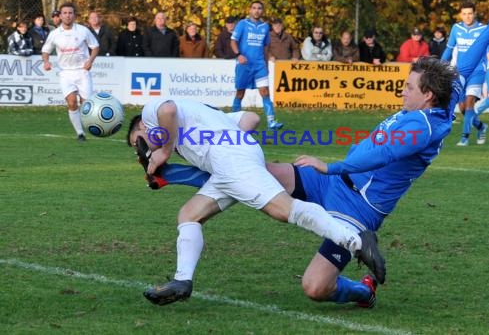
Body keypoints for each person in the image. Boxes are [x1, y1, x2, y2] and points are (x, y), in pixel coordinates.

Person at [133, 0, 489, 308]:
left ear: (428, 95)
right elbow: (468, 61)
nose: (403, 91)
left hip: (358, 207)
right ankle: (173, 186)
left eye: (409, 87)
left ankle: (363, 287)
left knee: (315, 288)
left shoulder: (424, 127)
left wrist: (329, 165)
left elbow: (377, 156)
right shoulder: (442, 95)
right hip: (331, 183)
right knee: (256, 169)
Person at [127, 99, 386, 306]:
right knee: (189, 215)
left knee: (283, 210)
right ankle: (182, 281)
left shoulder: (152, 113)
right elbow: (251, 119)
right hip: (228, 164)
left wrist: (163, 150)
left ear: (143, 127)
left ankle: (356, 241)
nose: (143, 150)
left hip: (229, 162)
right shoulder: (200, 116)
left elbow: (167, 109)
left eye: (138, 143)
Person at [41, 2, 99, 142]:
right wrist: (46, 61)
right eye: (65, 13)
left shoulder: (83, 30)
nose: (68, 15)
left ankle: (91, 125)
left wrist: (90, 61)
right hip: (66, 73)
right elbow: (45, 50)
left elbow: (95, 46)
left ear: (74, 15)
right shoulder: (55, 34)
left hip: (82, 71)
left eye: (70, 13)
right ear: (60, 16)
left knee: (86, 104)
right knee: (72, 102)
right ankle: (80, 133)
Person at [231, 0, 284, 130]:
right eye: (254, 8)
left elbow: (265, 47)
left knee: (265, 92)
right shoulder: (243, 24)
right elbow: (233, 41)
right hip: (244, 65)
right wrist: (238, 55)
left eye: (259, 8)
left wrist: (266, 64)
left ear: (262, 11)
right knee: (240, 93)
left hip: (259, 65)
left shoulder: (265, 27)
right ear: (250, 10)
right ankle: (232, 121)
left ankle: (271, 122)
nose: (257, 10)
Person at [441, 0, 488, 147]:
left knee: (469, 104)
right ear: (460, 15)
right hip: (460, 72)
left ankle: (464, 138)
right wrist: (439, 65)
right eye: (464, 14)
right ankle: (481, 127)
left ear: (474, 14)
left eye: (470, 14)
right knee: (462, 108)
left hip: (477, 71)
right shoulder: (456, 28)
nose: (467, 17)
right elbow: (449, 49)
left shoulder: (483, 29)